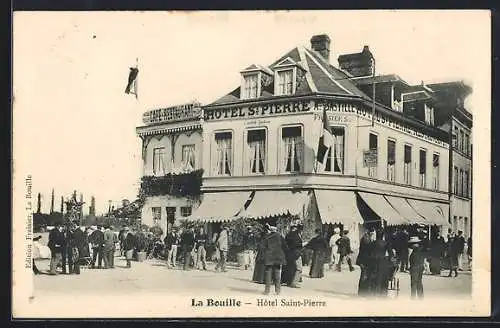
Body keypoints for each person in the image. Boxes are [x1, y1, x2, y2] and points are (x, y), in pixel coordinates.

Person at [261, 225, 288, 295]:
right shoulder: (280, 237)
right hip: (278, 257)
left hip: (269, 257)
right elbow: (285, 247)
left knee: (268, 274)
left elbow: (262, 247)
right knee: (277, 273)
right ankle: (278, 291)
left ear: (270, 230)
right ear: (276, 230)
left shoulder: (267, 237)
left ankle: (267, 291)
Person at [368, 229, 392, 297]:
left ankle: (374, 293)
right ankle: (383, 294)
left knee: (374, 278)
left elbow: (369, 253)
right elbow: (391, 254)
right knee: (383, 278)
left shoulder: (372, 243)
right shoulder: (386, 243)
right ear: (383, 236)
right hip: (383, 262)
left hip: (374, 262)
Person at [282, 223, 304, 287]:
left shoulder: (288, 234)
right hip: (296, 253)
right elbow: (296, 244)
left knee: (290, 268)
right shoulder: (296, 235)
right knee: (299, 268)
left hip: (289, 254)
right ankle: (294, 283)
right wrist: (303, 244)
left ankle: (288, 281)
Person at [356, 228, 374, 296]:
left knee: (364, 275)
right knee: (364, 275)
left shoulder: (366, 237)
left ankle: (363, 291)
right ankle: (362, 292)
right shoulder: (366, 238)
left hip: (363, 259)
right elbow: (368, 248)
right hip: (364, 260)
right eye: (372, 232)